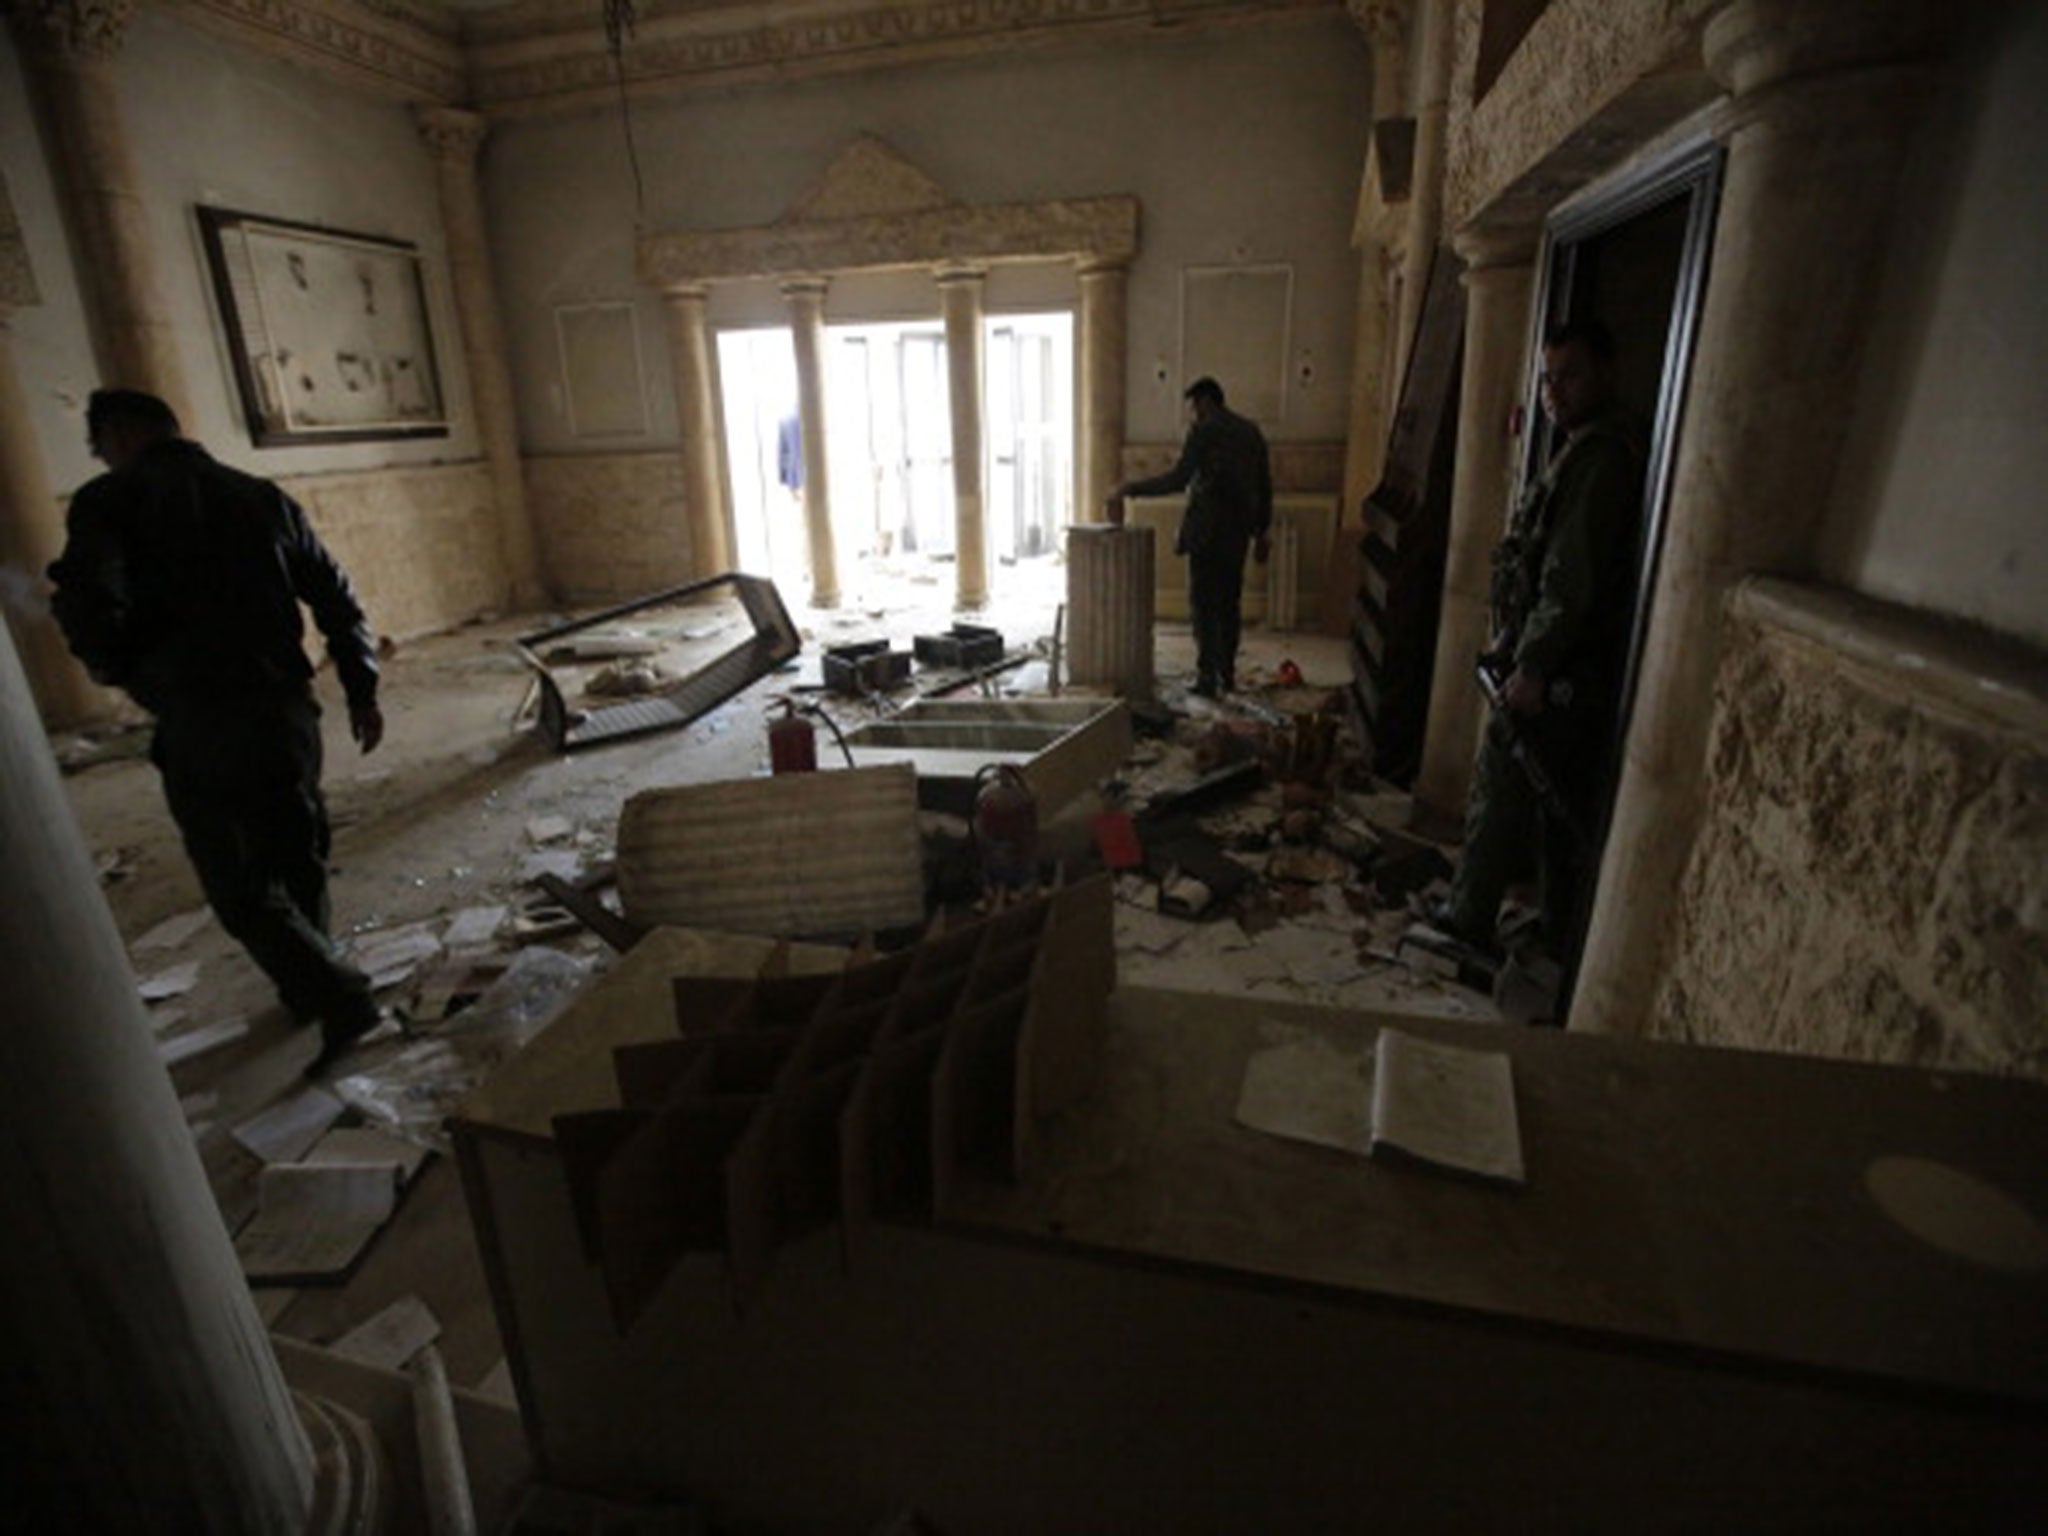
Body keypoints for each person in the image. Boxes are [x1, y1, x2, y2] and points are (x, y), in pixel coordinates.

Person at [49, 389, 386, 1071]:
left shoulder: (108, 504)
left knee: (237, 882)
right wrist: (361, 689)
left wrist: (124, 671)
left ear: (117, 435)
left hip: (203, 715)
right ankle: (309, 982)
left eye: (102, 447)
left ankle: (334, 989)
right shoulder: (260, 496)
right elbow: (338, 601)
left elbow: (92, 604)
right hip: (285, 708)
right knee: (297, 847)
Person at [1438, 319, 1647, 964]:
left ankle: (1468, 919)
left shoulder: (1600, 459)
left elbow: (1569, 576)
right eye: (1548, 378)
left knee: (1503, 782)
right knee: (1547, 800)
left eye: (1570, 375)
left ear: (1605, 373)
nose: (1554, 391)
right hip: (1550, 659)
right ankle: (1551, 930)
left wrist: (1530, 666)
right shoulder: (1577, 448)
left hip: (1556, 668)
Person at [1107, 376, 1273, 697]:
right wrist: (1261, 531)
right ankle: (1227, 675)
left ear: (1207, 401)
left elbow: (1179, 478)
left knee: (1203, 605)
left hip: (1207, 532)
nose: (1194, 414)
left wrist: (1131, 489)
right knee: (1229, 604)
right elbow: (1264, 486)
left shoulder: (1205, 430)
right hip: (1237, 533)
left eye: (1195, 406)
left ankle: (1206, 678)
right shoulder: (1251, 432)